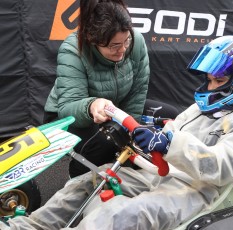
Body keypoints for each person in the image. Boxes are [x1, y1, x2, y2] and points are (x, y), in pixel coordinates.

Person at [1, 35, 233, 230]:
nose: (210, 86)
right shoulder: (201, 108)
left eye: (218, 80)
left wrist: (169, 145)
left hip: (197, 191)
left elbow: (220, 166)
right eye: (208, 79)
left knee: (119, 214)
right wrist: (155, 129)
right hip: (160, 175)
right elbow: (175, 129)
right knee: (88, 182)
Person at [43, 0, 178, 178]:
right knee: (110, 138)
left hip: (115, 108)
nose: (122, 50)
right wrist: (91, 106)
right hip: (69, 117)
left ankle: (131, 172)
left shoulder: (136, 42)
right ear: (93, 39)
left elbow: (137, 93)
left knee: (170, 116)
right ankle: (78, 179)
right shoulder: (73, 49)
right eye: (114, 46)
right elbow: (68, 107)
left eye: (126, 41)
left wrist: (133, 132)